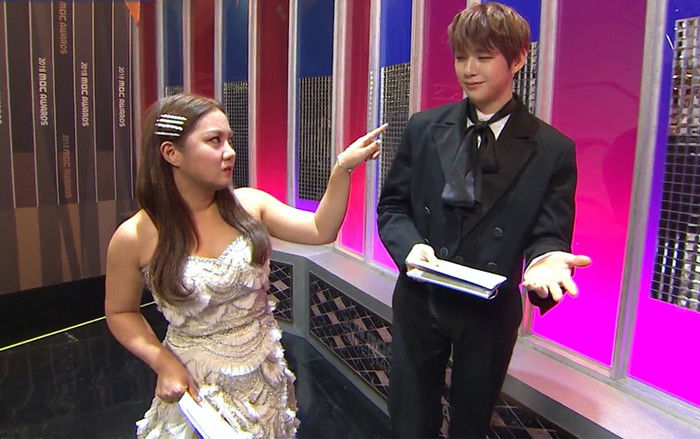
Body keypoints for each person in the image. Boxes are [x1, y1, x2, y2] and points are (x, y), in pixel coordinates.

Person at [105, 93, 386, 438]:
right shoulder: (135, 236)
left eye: (229, 140)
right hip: (196, 382)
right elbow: (120, 312)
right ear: (171, 153)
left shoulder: (249, 206)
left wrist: (342, 168)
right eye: (214, 140)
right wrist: (162, 361)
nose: (230, 152)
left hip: (263, 375)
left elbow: (320, 229)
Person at [377, 3, 591, 437]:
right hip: (421, 298)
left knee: (471, 424)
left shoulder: (552, 149)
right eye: (461, 57)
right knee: (409, 421)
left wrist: (546, 259)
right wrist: (410, 248)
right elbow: (392, 207)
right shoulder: (423, 127)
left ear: (518, 58)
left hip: (488, 311)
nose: (469, 70)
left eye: (484, 57)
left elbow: (549, 231)